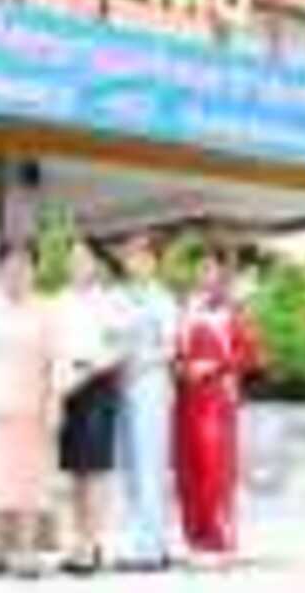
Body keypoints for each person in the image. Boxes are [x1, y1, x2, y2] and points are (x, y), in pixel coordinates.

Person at [0, 240, 52, 579]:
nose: (18, 270)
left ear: (34, 269)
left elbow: (53, 359)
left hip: (32, 402)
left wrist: (54, 400)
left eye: (26, 263)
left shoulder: (44, 308)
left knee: (28, 480)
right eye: (11, 262)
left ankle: (26, 551)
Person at [175, 249, 261, 569]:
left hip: (217, 398)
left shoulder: (233, 311)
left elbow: (251, 355)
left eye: (211, 269)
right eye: (200, 269)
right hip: (187, 398)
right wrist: (180, 367)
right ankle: (195, 539)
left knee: (216, 468)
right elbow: (176, 351)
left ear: (221, 274)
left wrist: (216, 366)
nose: (205, 275)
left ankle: (220, 540)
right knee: (189, 468)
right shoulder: (186, 309)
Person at [51, 237, 125, 575]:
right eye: (72, 258)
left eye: (83, 258)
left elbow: (117, 349)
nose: (77, 264)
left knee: (94, 470)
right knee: (75, 471)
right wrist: (58, 390)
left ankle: (92, 545)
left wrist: (87, 371)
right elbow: (54, 349)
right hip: (66, 387)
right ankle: (78, 541)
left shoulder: (109, 301)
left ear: (96, 264)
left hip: (96, 385)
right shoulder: (59, 301)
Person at [114, 232, 179, 572]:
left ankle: (152, 548)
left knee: (150, 465)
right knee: (129, 465)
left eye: (143, 256)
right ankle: (136, 542)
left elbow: (170, 347)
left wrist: (140, 363)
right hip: (122, 385)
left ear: (154, 262)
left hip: (150, 383)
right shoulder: (118, 297)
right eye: (130, 256)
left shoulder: (163, 299)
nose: (135, 262)